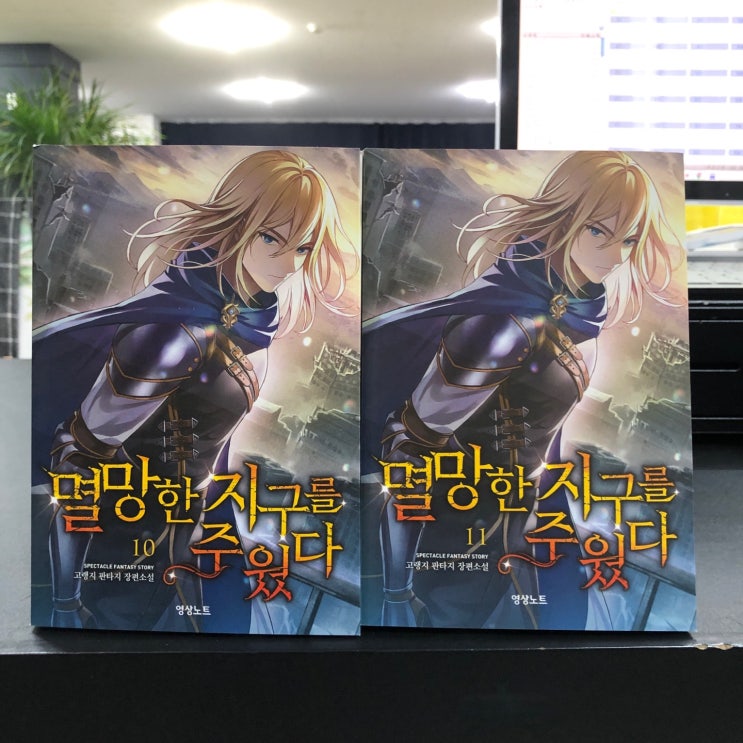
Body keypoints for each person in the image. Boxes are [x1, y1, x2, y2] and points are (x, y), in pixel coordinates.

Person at [33, 149, 357, 631]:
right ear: (237, 223)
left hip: (183, 554)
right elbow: (76, 461)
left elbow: (211, 450)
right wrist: (65, 599)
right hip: (116, 553)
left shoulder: (251, 327)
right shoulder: (174, 335)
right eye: (271, 237)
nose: (288, 263)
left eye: (303, 248)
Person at [362, 151, 682, 629]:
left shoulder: (577, 317)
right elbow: (406, 453)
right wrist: (396, 592)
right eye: (599, 231)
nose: (616, 256)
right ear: (564, 219)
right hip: (450, 545)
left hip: (519, 541)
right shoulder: (504, 325)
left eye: (629, 239)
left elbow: (542, 441)